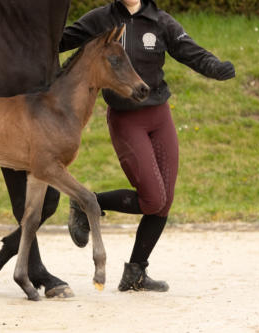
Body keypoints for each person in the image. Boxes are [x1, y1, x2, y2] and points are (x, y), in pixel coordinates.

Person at [59, 0, 235, 292]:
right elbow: (59, 41)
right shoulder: (101, 20)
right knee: (153, 198)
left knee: (164, 202)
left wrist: (215, 68)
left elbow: (189, 51)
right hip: (126, 120)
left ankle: (136, 273)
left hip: (159, 115)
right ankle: (88, 201)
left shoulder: (161, 21)